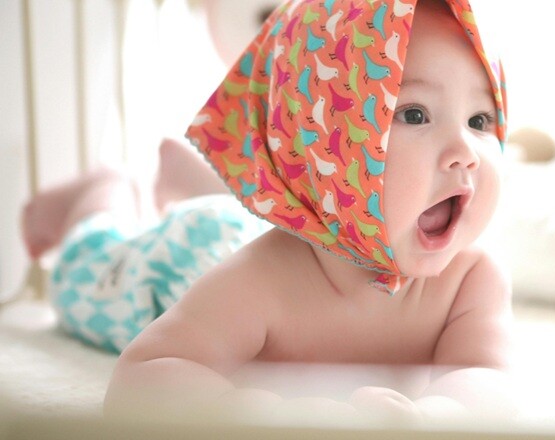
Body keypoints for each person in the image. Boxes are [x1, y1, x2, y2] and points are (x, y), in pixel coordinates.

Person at [25, 0, 512, 421]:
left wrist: (436, 416)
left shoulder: (471, 279)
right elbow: (140, 376)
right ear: (326, 143)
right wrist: (271, 414)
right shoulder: (263, 280)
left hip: (274, 217)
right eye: (414, 114)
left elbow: (486, 375)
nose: (465, 150)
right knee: (86, 267)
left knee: (238, 212)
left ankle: (194, 182)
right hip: (186, 252)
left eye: (479, 119)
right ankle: (99, 195)